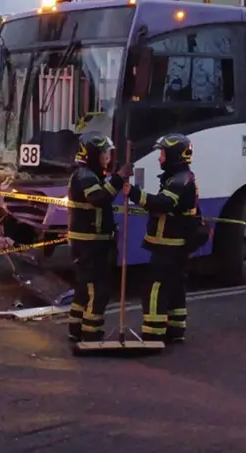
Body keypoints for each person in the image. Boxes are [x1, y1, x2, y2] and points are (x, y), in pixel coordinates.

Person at [123, 133, 206, 345]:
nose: (160, 159)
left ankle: (153, 332)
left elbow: (162, 204)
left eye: (162, 153)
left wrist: (132, 192)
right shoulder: (179, 177)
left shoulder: (180, 180)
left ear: (174, 155)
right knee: (175, 286)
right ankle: (176, 328)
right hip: (176, 246)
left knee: (155, 288)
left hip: (169, 246)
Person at [66, 132, 132, 343]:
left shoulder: (88, 174)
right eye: (104, 153)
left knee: (85, 287)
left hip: (90, 240)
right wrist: (119, 178)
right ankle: (91, 332)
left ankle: (76, 328)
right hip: (90, 242)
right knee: (98, 288)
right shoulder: (85, 176)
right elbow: (98, 198)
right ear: (94, 154)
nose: (108, 157)